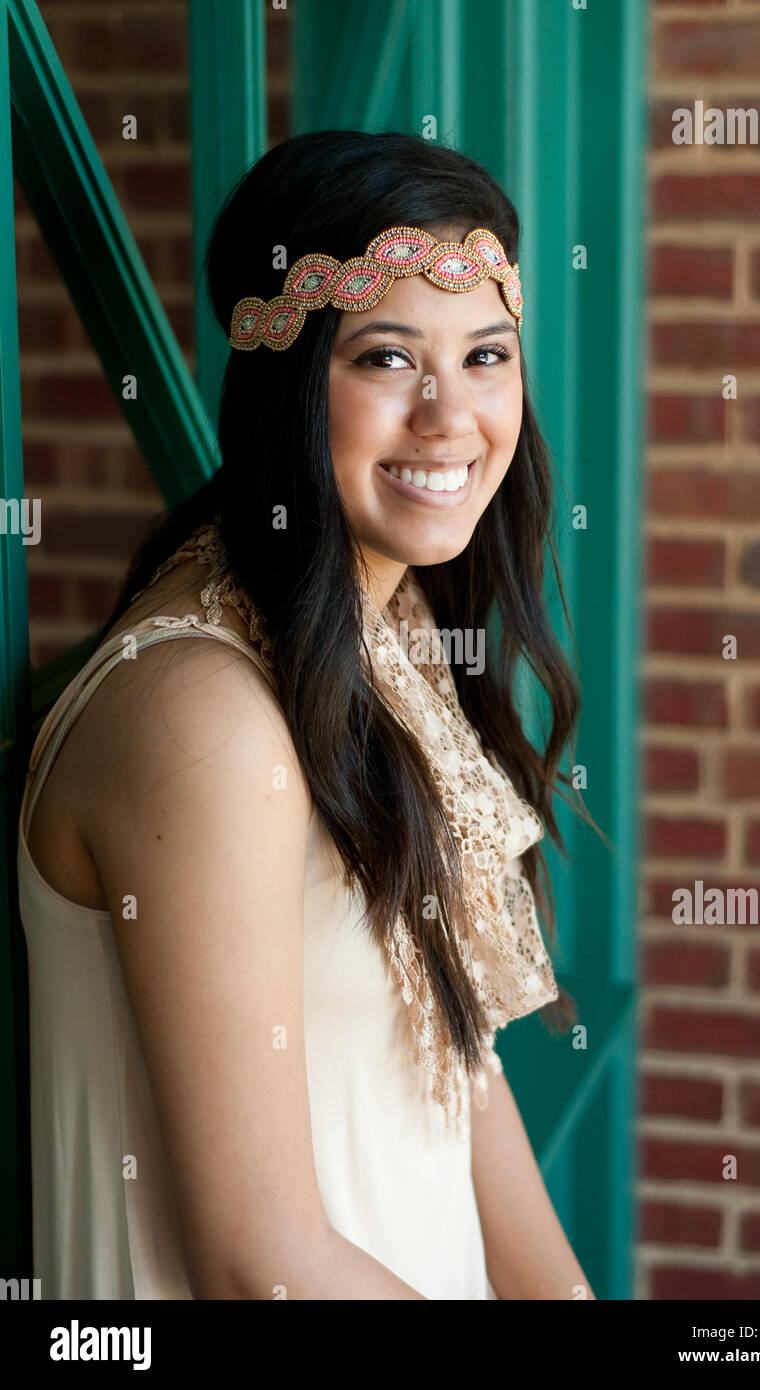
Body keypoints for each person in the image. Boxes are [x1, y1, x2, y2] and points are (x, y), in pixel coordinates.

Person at [18, 129, 602, 1300]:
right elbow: (258, 1262)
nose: (450, 416)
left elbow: (457, 1072)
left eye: (486, 354)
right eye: (387, 360)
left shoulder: (393, 642)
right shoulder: (205, 719)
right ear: (286, 380)